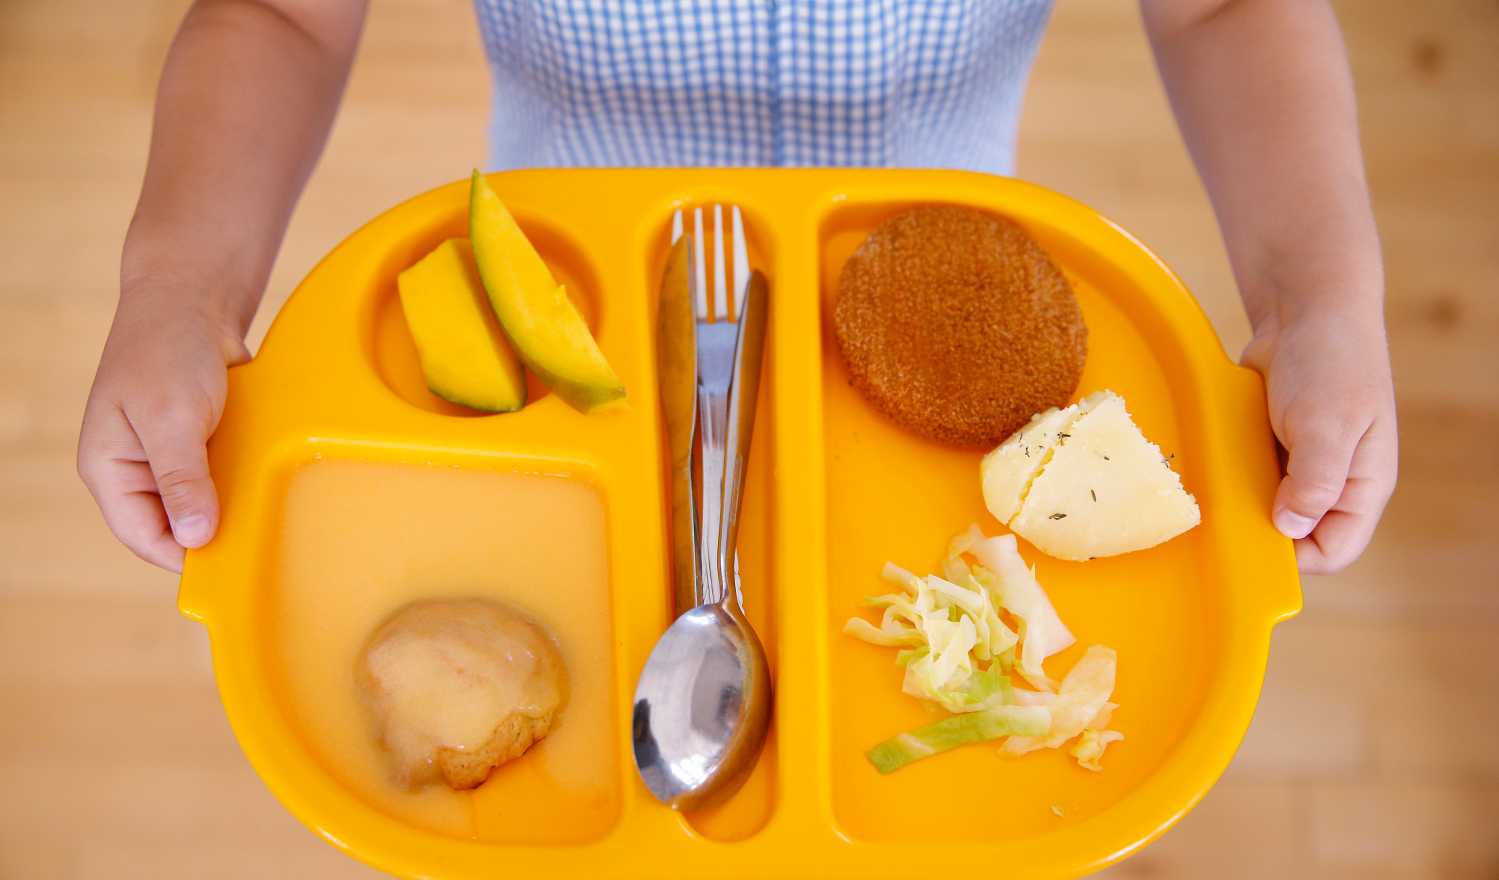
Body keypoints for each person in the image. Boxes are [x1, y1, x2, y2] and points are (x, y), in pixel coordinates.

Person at [78, 0, 1396, 575]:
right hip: (578, 283)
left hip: (945, 286)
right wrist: (181, 288)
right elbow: (284, 9)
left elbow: (1228, 4)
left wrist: (1314, 294)